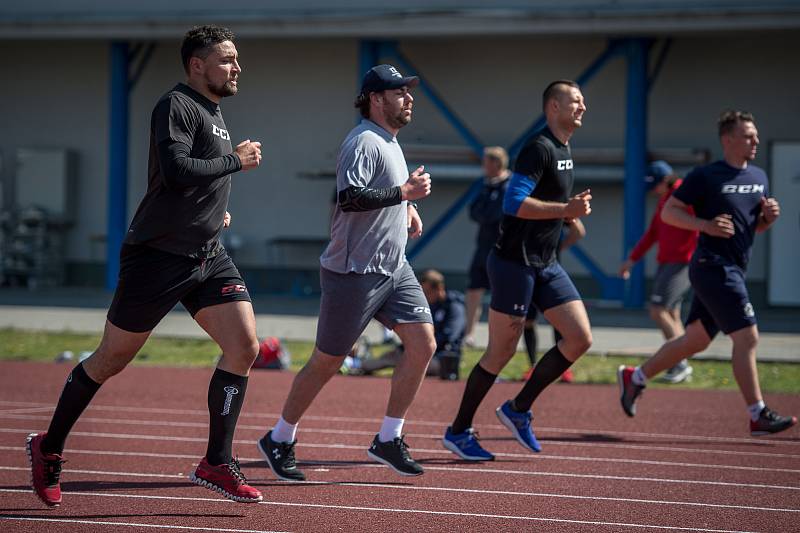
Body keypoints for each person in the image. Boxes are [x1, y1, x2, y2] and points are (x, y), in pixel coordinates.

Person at [26, 25, 265, 507]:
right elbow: (176, 170)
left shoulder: (215, 113)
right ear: (197, 65)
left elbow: (193, 184)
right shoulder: (175, 104)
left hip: (208, 254)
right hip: (157, 256)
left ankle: (216, 461)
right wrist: (234, 164)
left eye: (236, 59)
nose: (236, 67)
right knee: (111, 359)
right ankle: (48, 448)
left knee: (244, 347)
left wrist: (214, 210)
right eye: (226, 59)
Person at [257, 64, 435, 479]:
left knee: (424, 343)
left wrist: (406, 207)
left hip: (394, 268)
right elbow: (350, 198)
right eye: (399, 92)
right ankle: (279, 437)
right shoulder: (363, 142)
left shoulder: (390, 141)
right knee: (326, 361)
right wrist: (403, 193)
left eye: (409, 92)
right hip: (354, 271)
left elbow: (384, 191)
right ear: (376, 99)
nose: (409, 98)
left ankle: (389, 438)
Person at [618, 111, 797, 436]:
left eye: (755, 135)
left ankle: (636, 377)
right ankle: (757, 414)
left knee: (696, 340)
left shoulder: (759, 176)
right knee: (748, 337)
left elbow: (751, 228)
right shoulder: (705, 176)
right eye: (748, 136)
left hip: (735, 268)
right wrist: (704, 225)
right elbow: (669, 212)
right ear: (728, 140)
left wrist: (768, 219)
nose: (755, 141)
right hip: (712, 266)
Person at [442, 80, 593, 461]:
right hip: (513, 263)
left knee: (578, 338)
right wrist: (564, 212)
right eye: (575, 102)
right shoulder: (539, 148)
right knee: (501, 351)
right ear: (553, 108)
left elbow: (551, 202)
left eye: (583, 101)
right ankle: (458, 431)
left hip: (546, 262)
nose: (583, 107)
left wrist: (567, 217)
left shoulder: (564, 148)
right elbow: (514, 202)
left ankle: (518, 408)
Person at [619, 161, 698, 384]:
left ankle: (680, 363)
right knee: (671, 313)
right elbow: (652, 233)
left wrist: (698, 255)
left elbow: (700, 225)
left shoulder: (685, 195)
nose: (653, 190)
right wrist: (631, 260)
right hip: (668, 261)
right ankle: (682, 364)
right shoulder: (666, 199)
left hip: (683, 262)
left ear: (666, 180)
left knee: (658, 309)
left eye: (655, 185)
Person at [349, 269, 465, 379]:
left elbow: (449, 337)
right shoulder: (430, 304)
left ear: (439, 288)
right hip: (423, 349)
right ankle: (356, 364)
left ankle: (354, 364)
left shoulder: (454, 307)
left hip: (443, 360)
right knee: (392, 354)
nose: (424, 297)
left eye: (427, 292)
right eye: (422, 293)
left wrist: (417, 346)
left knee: (404, 360)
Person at [522, 217, 585, 383]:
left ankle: (562, 369)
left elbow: (579, 230)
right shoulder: (525, 205)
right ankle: (532, 365)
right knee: (528, 321)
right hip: (527, 269)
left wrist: (560, 247)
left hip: (550, 270)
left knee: (559, 322)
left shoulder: (555, 205)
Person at [463, 147, 511, 347]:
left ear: (497, 164)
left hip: (502, 250)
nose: (484, 166)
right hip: (482, 248)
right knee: (474, 290)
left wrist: (487, 214)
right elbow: (474, 212)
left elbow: (497, 214)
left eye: (487, 162)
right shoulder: (485, 185)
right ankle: (469, 334)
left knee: (503, 294)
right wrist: (486, 214)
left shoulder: (509, 185)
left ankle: (502, 337)